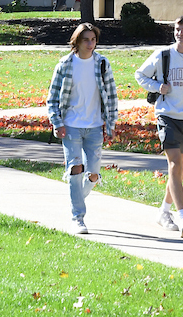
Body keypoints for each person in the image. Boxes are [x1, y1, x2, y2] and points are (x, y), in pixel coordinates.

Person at [134, 15, 183, 239]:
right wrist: (158, 86)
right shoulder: (163, 55)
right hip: (166, 114)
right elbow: (140, 75)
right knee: (174, 164)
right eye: (178, 29)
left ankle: (163, 212)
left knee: (181, 170)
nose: (180, 33)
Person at [46, 22, 118, 234]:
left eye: (93, 39)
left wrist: (111, 124)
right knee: (76, 168)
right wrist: (56, 122)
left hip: (95, 126)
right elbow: (52, 98)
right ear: (76, 41)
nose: (90, 43)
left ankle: (75, 195)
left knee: (93, 174)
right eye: (86, 39)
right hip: (71, 126)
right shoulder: (65, 64)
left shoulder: (102, 63)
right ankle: (78, 217)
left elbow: (112, 97)